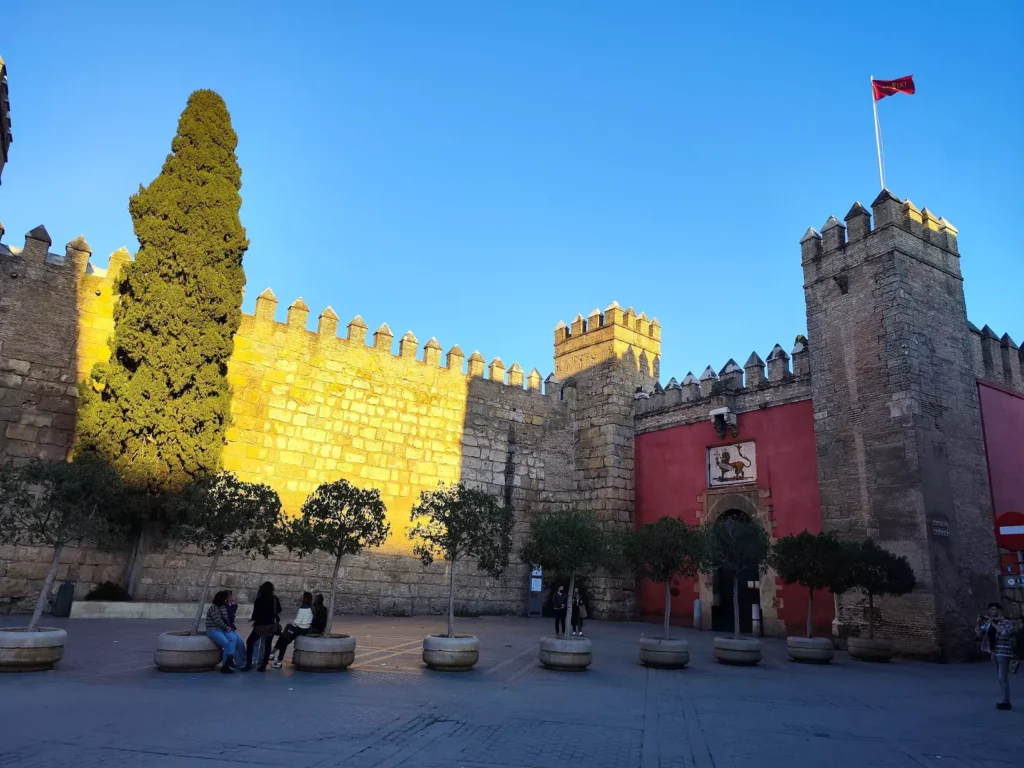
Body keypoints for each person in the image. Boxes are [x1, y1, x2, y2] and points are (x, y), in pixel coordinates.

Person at [977, 602, 1016, 710]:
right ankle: (1005, 699)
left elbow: (1004, 633)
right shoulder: (989, 624)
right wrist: (978, 624)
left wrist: (992, 623)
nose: (991, 611)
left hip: (1003, 653)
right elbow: (979, 634)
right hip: (993, 653)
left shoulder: (1006, 622)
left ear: (999, 610)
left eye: (993, 609)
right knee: (1000, 678)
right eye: (990, 610)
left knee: (1002, 677)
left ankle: (1006, 701)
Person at [205, 590, 246, 674]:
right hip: (213, 629)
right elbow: (218, 621)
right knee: (226, 643)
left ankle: (228, 662)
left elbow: (228, 619)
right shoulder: (214, 608)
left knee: (234, 639)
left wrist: (233, 606)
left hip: (223, 629)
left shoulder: (223, 607)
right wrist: (227, 628)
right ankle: (228, 662)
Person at [272, 591, 314, 668]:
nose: (301, 597)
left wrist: (291, 623)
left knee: (284, 640)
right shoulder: (310, 608)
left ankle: (278, 660)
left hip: (299, 629)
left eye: (302, 596)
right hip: (305, 629)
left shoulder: (302, 609)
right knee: (283, 637)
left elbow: (297, 622)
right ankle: (272, 653)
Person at [246, 581, 281, 672]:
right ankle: (264, 665)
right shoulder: (274, 599)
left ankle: (249, 662)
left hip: (260, 625)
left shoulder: (259, 600)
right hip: (270, 625)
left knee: (250, 642)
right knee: (268, 645)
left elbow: (255, 614)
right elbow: (279, 610)